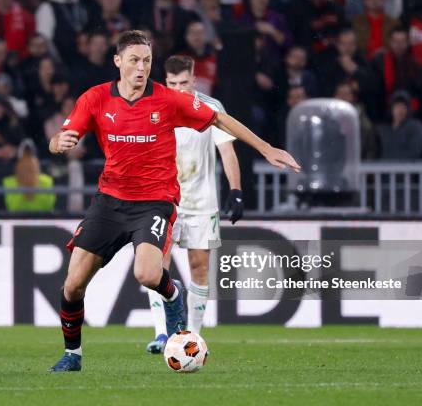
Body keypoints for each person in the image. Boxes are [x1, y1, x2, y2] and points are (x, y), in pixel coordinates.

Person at [47, 30, 300, 372]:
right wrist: (58, 143)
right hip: (108, 202)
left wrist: (266, 148)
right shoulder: (94, 99)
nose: (141, 68)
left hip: (154, 202)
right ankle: (72, 355)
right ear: (118, 61)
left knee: (148, 274)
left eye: (147, 61)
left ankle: (173, 294)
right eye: (134, 60)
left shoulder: (168, 100)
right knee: (73, 285)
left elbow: (220, 118)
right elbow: (61, 138)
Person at [145, 55, 242, 353]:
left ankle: (192, 337)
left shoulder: (211, 108)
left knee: (199, 267)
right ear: (165, 82)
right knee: (155, 265)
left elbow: (226, 151)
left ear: (194, 81)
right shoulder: (155, 107)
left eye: (183, 83)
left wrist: (236, 190)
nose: (178, 89)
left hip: (201, 202)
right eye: (172, 83)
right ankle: (162, 333)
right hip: (163, 200)